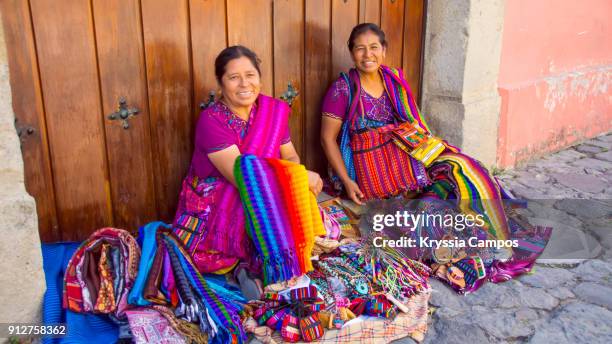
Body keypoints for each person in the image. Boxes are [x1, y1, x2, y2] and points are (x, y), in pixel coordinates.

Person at [320, 23, 549, 292]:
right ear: (351, 52)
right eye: (359, 48)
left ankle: (495, 234)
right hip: (371, 172)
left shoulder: (393, 78)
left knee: (466, 170)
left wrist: (427, 151)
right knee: (429, 210)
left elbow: (414, 124)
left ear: (384, 50)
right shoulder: (343, 89)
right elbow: (327, 138)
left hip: (407, 161)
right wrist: (347, 181)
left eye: (373, 47)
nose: (367, 54)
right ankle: (484, 242)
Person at [172, 46, 323, 300]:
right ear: (221, 83)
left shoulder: (272, 112)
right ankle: (256, 264)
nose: (244, 84)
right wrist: (300, 177)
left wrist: (297, 174)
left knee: (302, 210)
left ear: (260, 78)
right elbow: (241, 176)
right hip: (221, 198)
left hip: (271, 188)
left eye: (250, 75)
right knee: (256, 204)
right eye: (233, 77)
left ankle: (267, 263)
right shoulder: (212, 121)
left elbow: (291, 157)